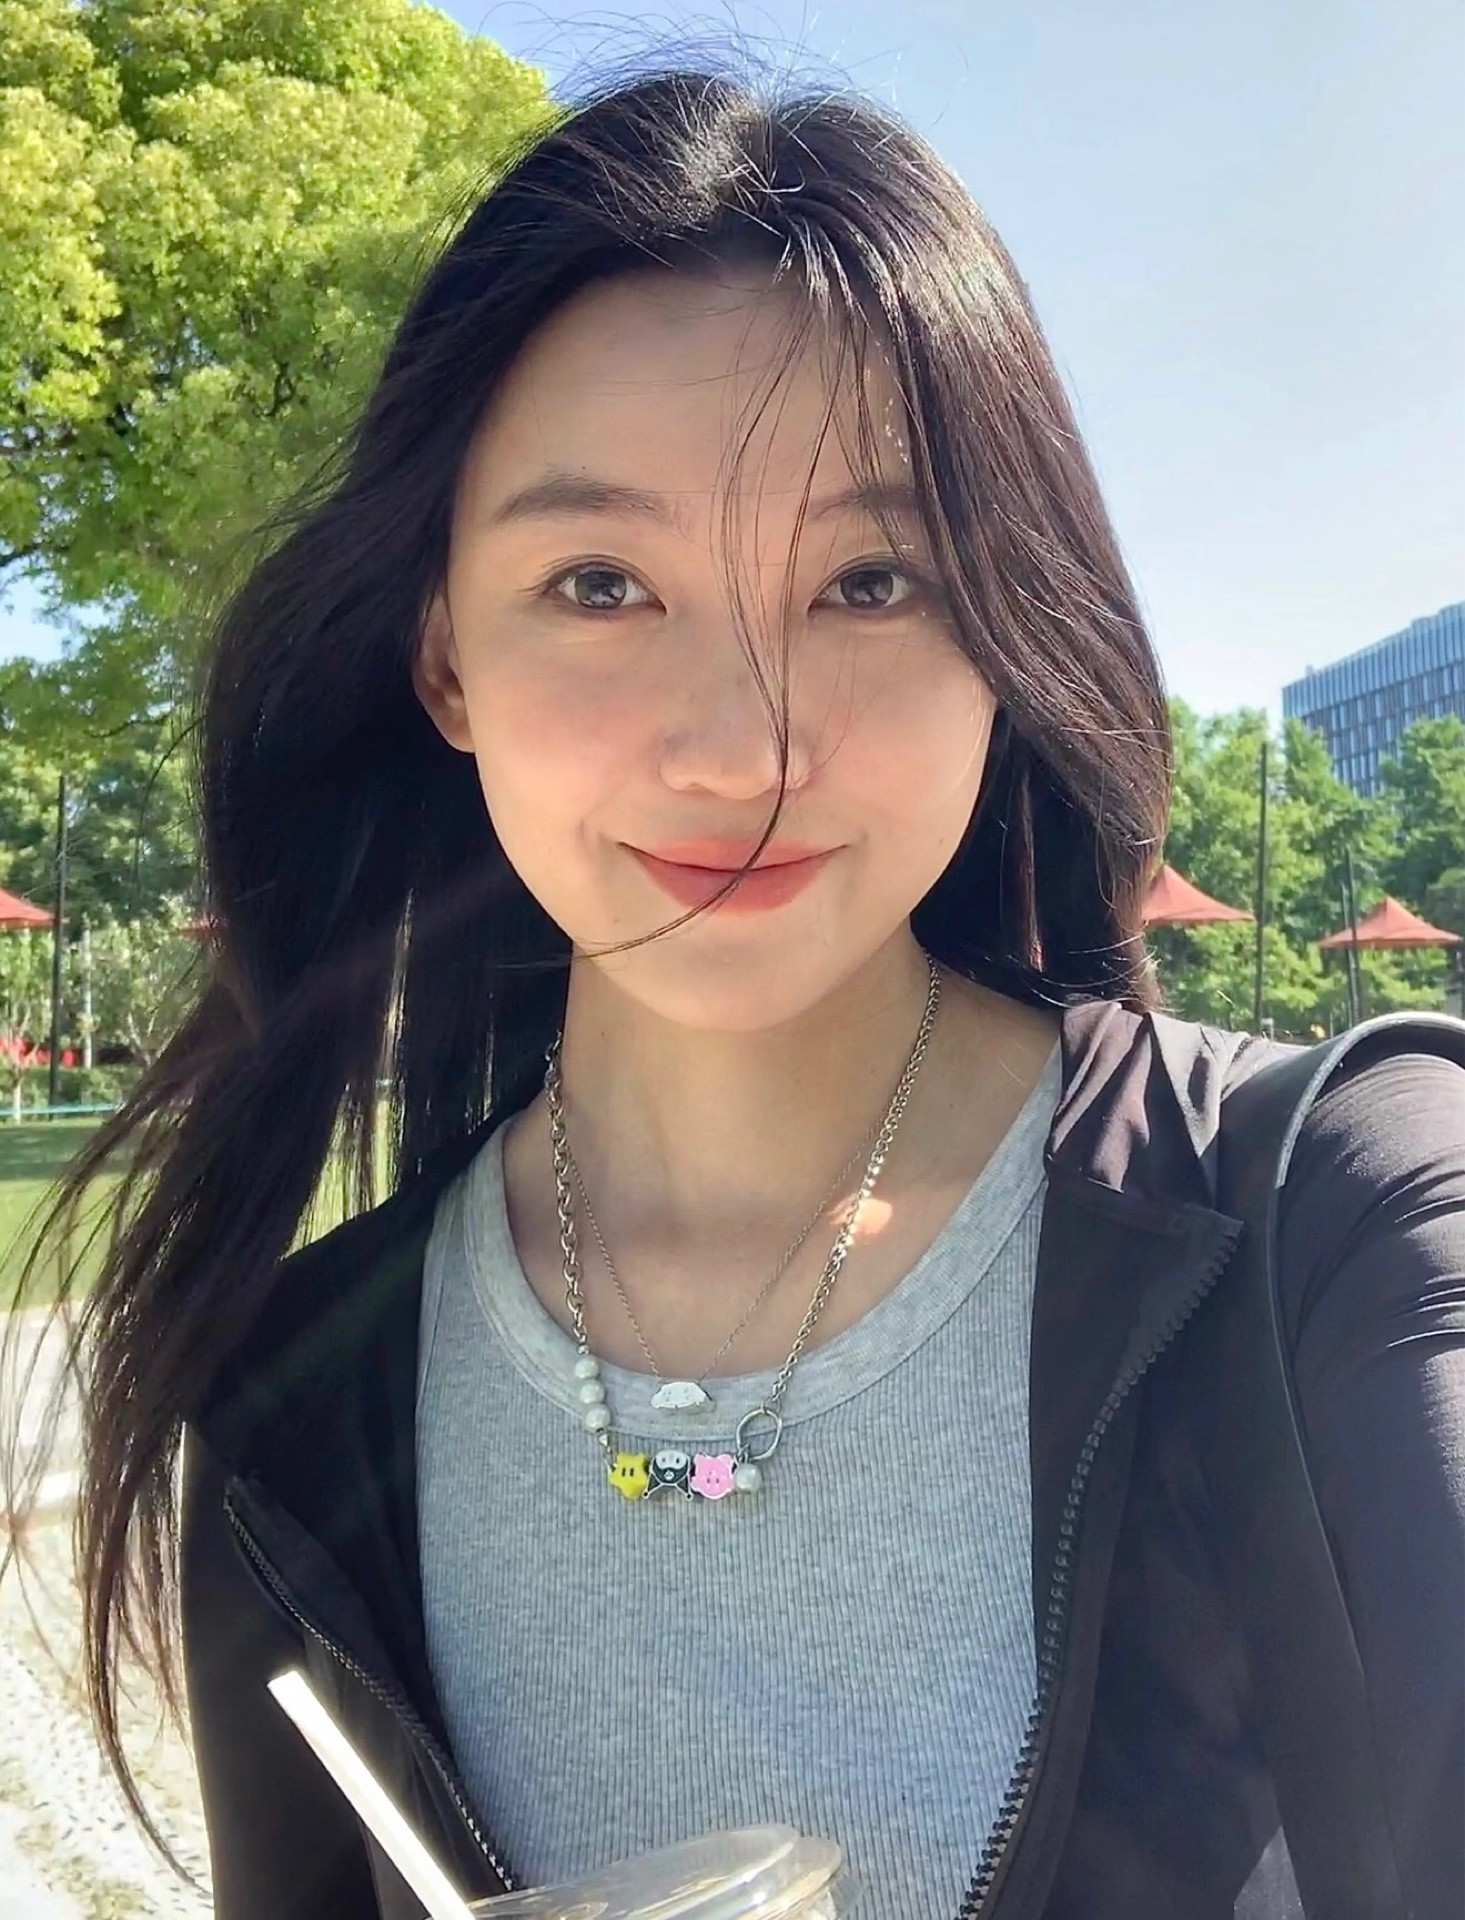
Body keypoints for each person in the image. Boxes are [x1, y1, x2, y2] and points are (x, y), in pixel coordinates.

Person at [7, 67, 1463, 1920]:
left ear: (1006, 638)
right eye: (598, 583)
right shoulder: (294, 1401)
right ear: (444, 661)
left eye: (870, 581)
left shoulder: (1341, 1222)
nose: (741, 750)